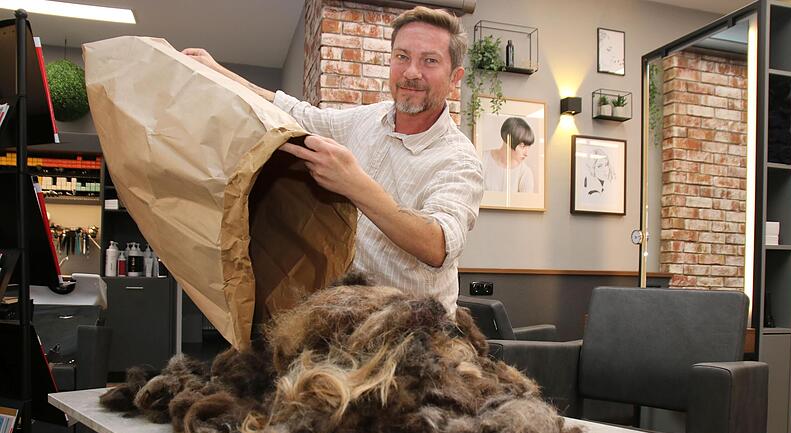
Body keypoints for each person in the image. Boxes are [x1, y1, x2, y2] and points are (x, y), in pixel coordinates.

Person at [182, 6, 483, 318]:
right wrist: (219, 72)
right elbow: (297, 113)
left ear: (454, 77)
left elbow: (438, 246)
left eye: (429, 61)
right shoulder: (367, 119)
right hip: (347, 318)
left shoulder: (459, 159)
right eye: (402, 56)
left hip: (417, 334)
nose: (411, 72)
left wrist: (354, 184)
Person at [481, 117, 535, 193]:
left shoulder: (525, 173)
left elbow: (525, 203)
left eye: (528, 147)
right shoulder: (483, 159)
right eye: (522, 146)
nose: (526, 153)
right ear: (508, 141)